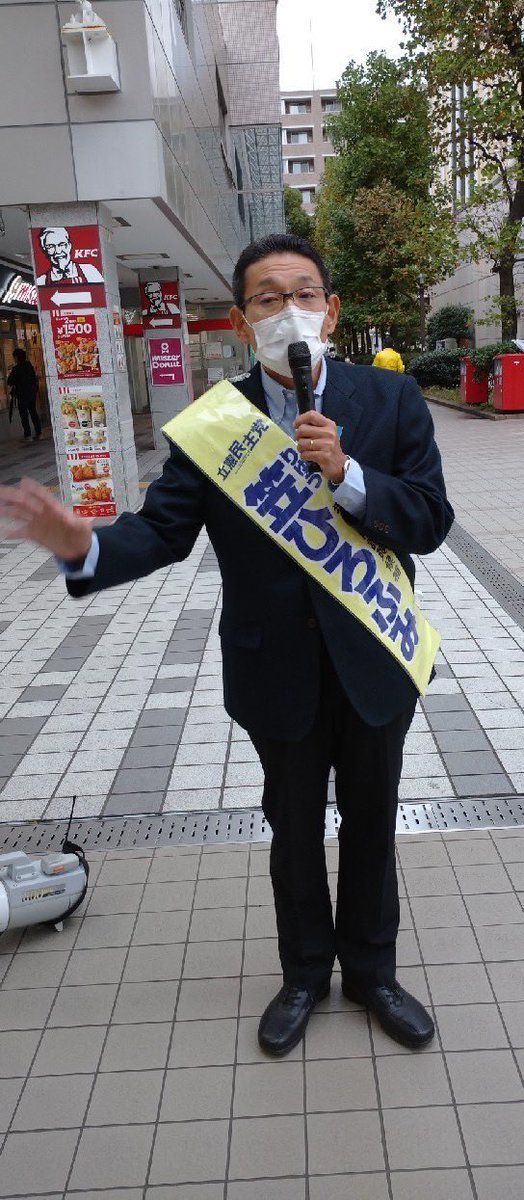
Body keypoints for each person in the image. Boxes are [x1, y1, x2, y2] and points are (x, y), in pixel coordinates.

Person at [0, 233, 454, 1057]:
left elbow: (428, 519)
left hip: (374, 659)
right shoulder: (214, 425)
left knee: (373, 823)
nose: (290, 312)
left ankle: (372, 973)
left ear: (331, 310)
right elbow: (162, 532)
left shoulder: (391, 401)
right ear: (244, 322)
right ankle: (304, 974)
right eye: (268, 299)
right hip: (271, 665)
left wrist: (347, 474)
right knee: (293, 830)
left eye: (304, 294)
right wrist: (85, 547)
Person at [7, 349, 42, 442]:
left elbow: (10, 381)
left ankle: (28, 435)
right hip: (31, 394)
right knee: (33, 412)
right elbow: (34, 379)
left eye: (14, 357)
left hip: (22, 395)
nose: (14, 359)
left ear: (16, 357)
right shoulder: (29, 366)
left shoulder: (16, 368)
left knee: (24, 415)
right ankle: (39, 433)